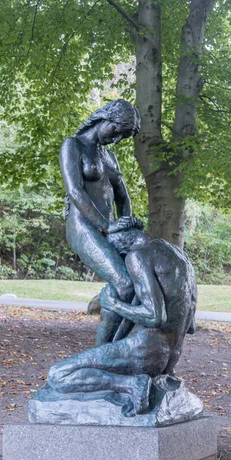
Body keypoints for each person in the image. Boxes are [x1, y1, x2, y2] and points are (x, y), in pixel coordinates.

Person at [46, 227, 197, 417]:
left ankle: (132, 384)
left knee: (58, 374)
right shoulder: (180, 257)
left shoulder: (137, 257)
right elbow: (191, 325)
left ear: (121, 243)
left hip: (147, 351)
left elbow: (154, 317)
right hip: (171, 355)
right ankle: (139, 382)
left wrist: (113, 304)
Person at [60, 99, 141, 346]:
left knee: (142, 282)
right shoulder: (73, 146)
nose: (116, 140)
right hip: (83, 226)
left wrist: (126, 221)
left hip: (111, 228)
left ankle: (113, 350)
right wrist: (105, 225)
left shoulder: (111, 158)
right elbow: (75, 191)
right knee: (126, 284)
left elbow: (123, 197)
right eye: (116, 131)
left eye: (122, 137)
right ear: (104, 118)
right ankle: (102, 352)